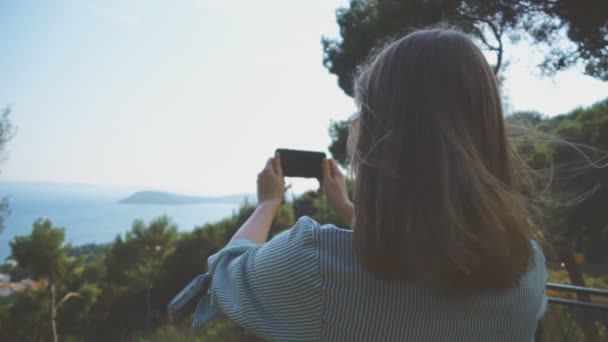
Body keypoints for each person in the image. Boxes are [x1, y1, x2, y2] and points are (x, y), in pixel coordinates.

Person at [169, 28, 548, 341]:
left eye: (360, 113)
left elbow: (226, 275)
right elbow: (433, 243)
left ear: (377, 137)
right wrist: (347, 207)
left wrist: (268, 203)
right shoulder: (527, 269)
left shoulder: (315, 261)